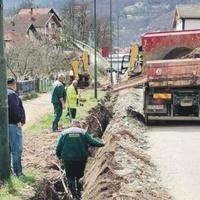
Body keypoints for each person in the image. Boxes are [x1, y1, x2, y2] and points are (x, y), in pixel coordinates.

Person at [56, 120, 104, 199]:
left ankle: (73, 193)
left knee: (70, 176)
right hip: (80, 158)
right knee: (79, 175)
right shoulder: (83, 132)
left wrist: (58, 155)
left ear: (71, 125)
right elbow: (92, 142)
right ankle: (79, 192)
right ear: (79, 126)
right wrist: (102, 143)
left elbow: (58, 146)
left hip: (67, 159)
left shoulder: (64, 133)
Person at [7, 78, 26, 177]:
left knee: (8, 149)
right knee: (16, 149)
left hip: (5, 126)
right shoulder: (12, 94)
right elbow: (15, 109)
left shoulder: (4, 93)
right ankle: (18, 173)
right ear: (14, 84)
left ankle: (9, 172)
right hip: (14, 125)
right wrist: (18, 120)